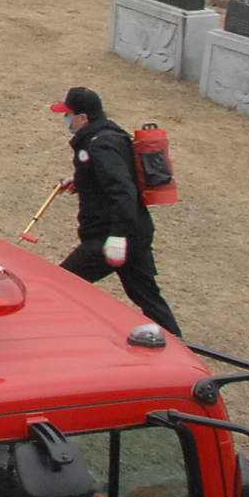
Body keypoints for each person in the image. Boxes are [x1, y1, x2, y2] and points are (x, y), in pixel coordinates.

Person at [50, 87, 181, 337]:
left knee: (62, 284)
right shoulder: (109, 135)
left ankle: (58, 333)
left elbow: (124, 191)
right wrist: (83, 180)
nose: (65, 120)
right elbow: (113, 176)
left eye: (69, 115)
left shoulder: (100, 144)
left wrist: (118, 237)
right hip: (137, 232)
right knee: (147, 296)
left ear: (84, 118)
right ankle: (178, 343)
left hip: (112, 235)